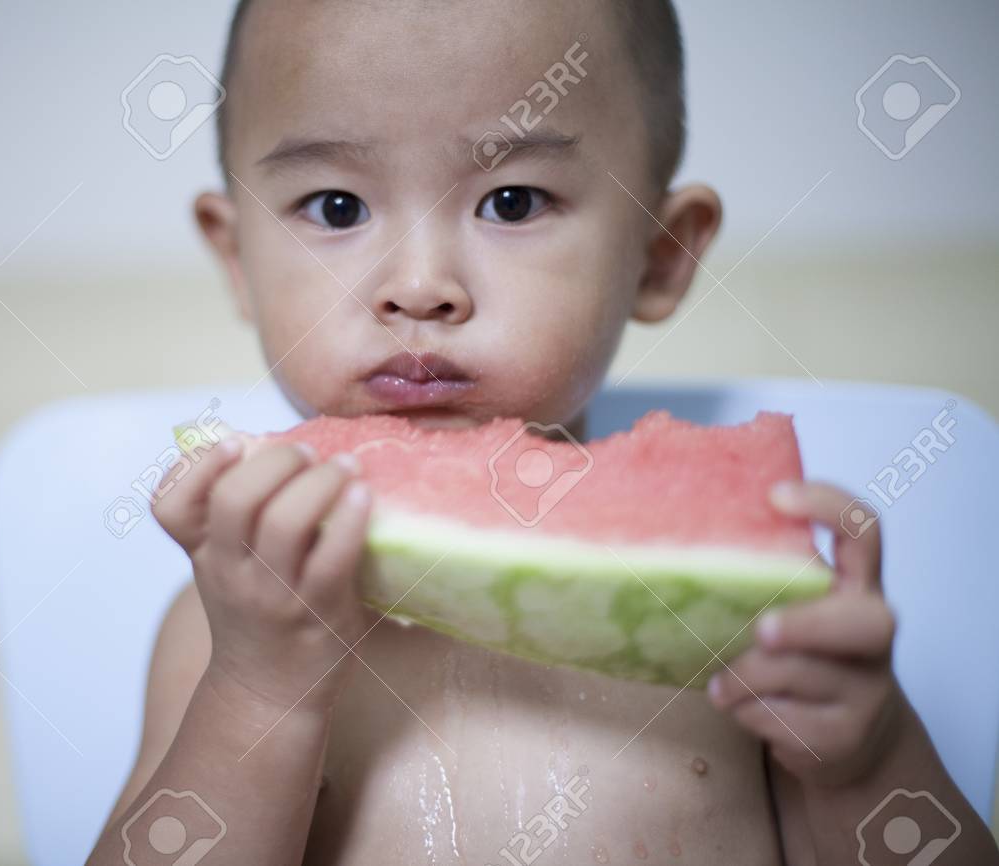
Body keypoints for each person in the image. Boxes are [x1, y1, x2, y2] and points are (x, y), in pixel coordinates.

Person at [89, 0, 998, 862]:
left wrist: (865, 762)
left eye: (512, 201)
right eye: (337, 207)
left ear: (659, 255)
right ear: (236, 258)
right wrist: (257, 698)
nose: (419, 286)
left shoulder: (740, 612)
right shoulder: (226, 625)